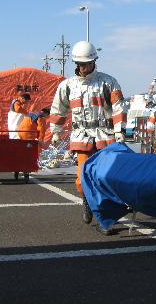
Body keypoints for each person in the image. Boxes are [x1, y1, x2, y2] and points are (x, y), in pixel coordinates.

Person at [50, 40, 127, 235]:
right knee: (81, 179)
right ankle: (86, 200)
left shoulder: (108, 82)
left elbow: (119, 106)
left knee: (104, 178)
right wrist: (56, 132)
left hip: (104, 135)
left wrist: (119, 130)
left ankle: (105, 219)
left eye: (87, 63)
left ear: (94, 61)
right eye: (79, 64)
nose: (83, 68)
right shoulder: (67, 86)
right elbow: (58, 109)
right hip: (81, 136)